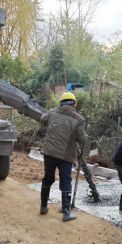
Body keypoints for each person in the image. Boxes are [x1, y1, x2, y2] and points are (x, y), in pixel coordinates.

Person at [39, 92, 87, 222]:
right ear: (74, 104)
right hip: (65, 156)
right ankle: (66, 213)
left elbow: (43, 119)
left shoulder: (52, 113)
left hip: (49, 153)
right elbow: (81, 140)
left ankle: (43, 207)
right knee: (66, 181)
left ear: (61, 103)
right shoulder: (79, 119)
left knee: (47, 178)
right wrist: (85, 136)